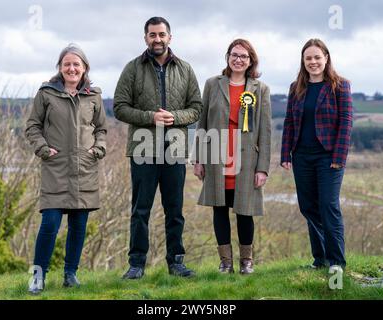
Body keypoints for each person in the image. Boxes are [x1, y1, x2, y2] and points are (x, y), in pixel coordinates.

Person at [113, 17, 202, 279]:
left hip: (175, 149)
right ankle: (136, 264)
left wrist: (175, 117)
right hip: (143, 148)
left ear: (170, 37)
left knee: (174, 210)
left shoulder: (185, 69)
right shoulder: (132, 68)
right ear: (145, 38)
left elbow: (197, 108)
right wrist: (150, 117)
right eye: (152, 35)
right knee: (140, 210)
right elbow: (119, 107)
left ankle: (176, 262)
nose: (157, 39)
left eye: (162, 34)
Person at [25, 44, 107, 294]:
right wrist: (43, 149)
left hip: (85, 170)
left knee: (78, 225)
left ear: (84, 68)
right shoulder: (46, 93)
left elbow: (102, 129)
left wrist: (98, 149)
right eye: (67, 64)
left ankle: (70, 274)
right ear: (60, 68)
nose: (72, 68)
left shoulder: (93, 96)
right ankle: (38, 277)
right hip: (56, 168)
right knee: (49, 223)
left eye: (76, 64)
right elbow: (32, 126)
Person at [193, 39, 272, 274]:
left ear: (251, 61)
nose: (238, 60)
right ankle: (225, 262)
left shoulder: (261, 89)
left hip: (247, 161)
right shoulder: (212, 84)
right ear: (227, 57)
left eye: (244, 56)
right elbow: (202, 123)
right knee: (220, 209)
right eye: (234, 55)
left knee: (245, 211)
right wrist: (198, 158)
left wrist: (263, 168)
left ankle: (246, 261)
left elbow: (266, 132)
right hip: (217, 157)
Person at [280, 38, 353, 274]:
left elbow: (346, 123)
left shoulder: (340, 85)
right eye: (308, 58)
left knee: (328, 206)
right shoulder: (296, 87)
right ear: (303, 61)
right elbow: (289, 122)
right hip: (301, 156)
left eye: (317, 57)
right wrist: (286, 154)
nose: (313, 62)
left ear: (326, 58)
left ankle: (336, 262)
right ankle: (320, 259)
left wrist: (339, 157)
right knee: (308, 207)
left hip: (328, 157)